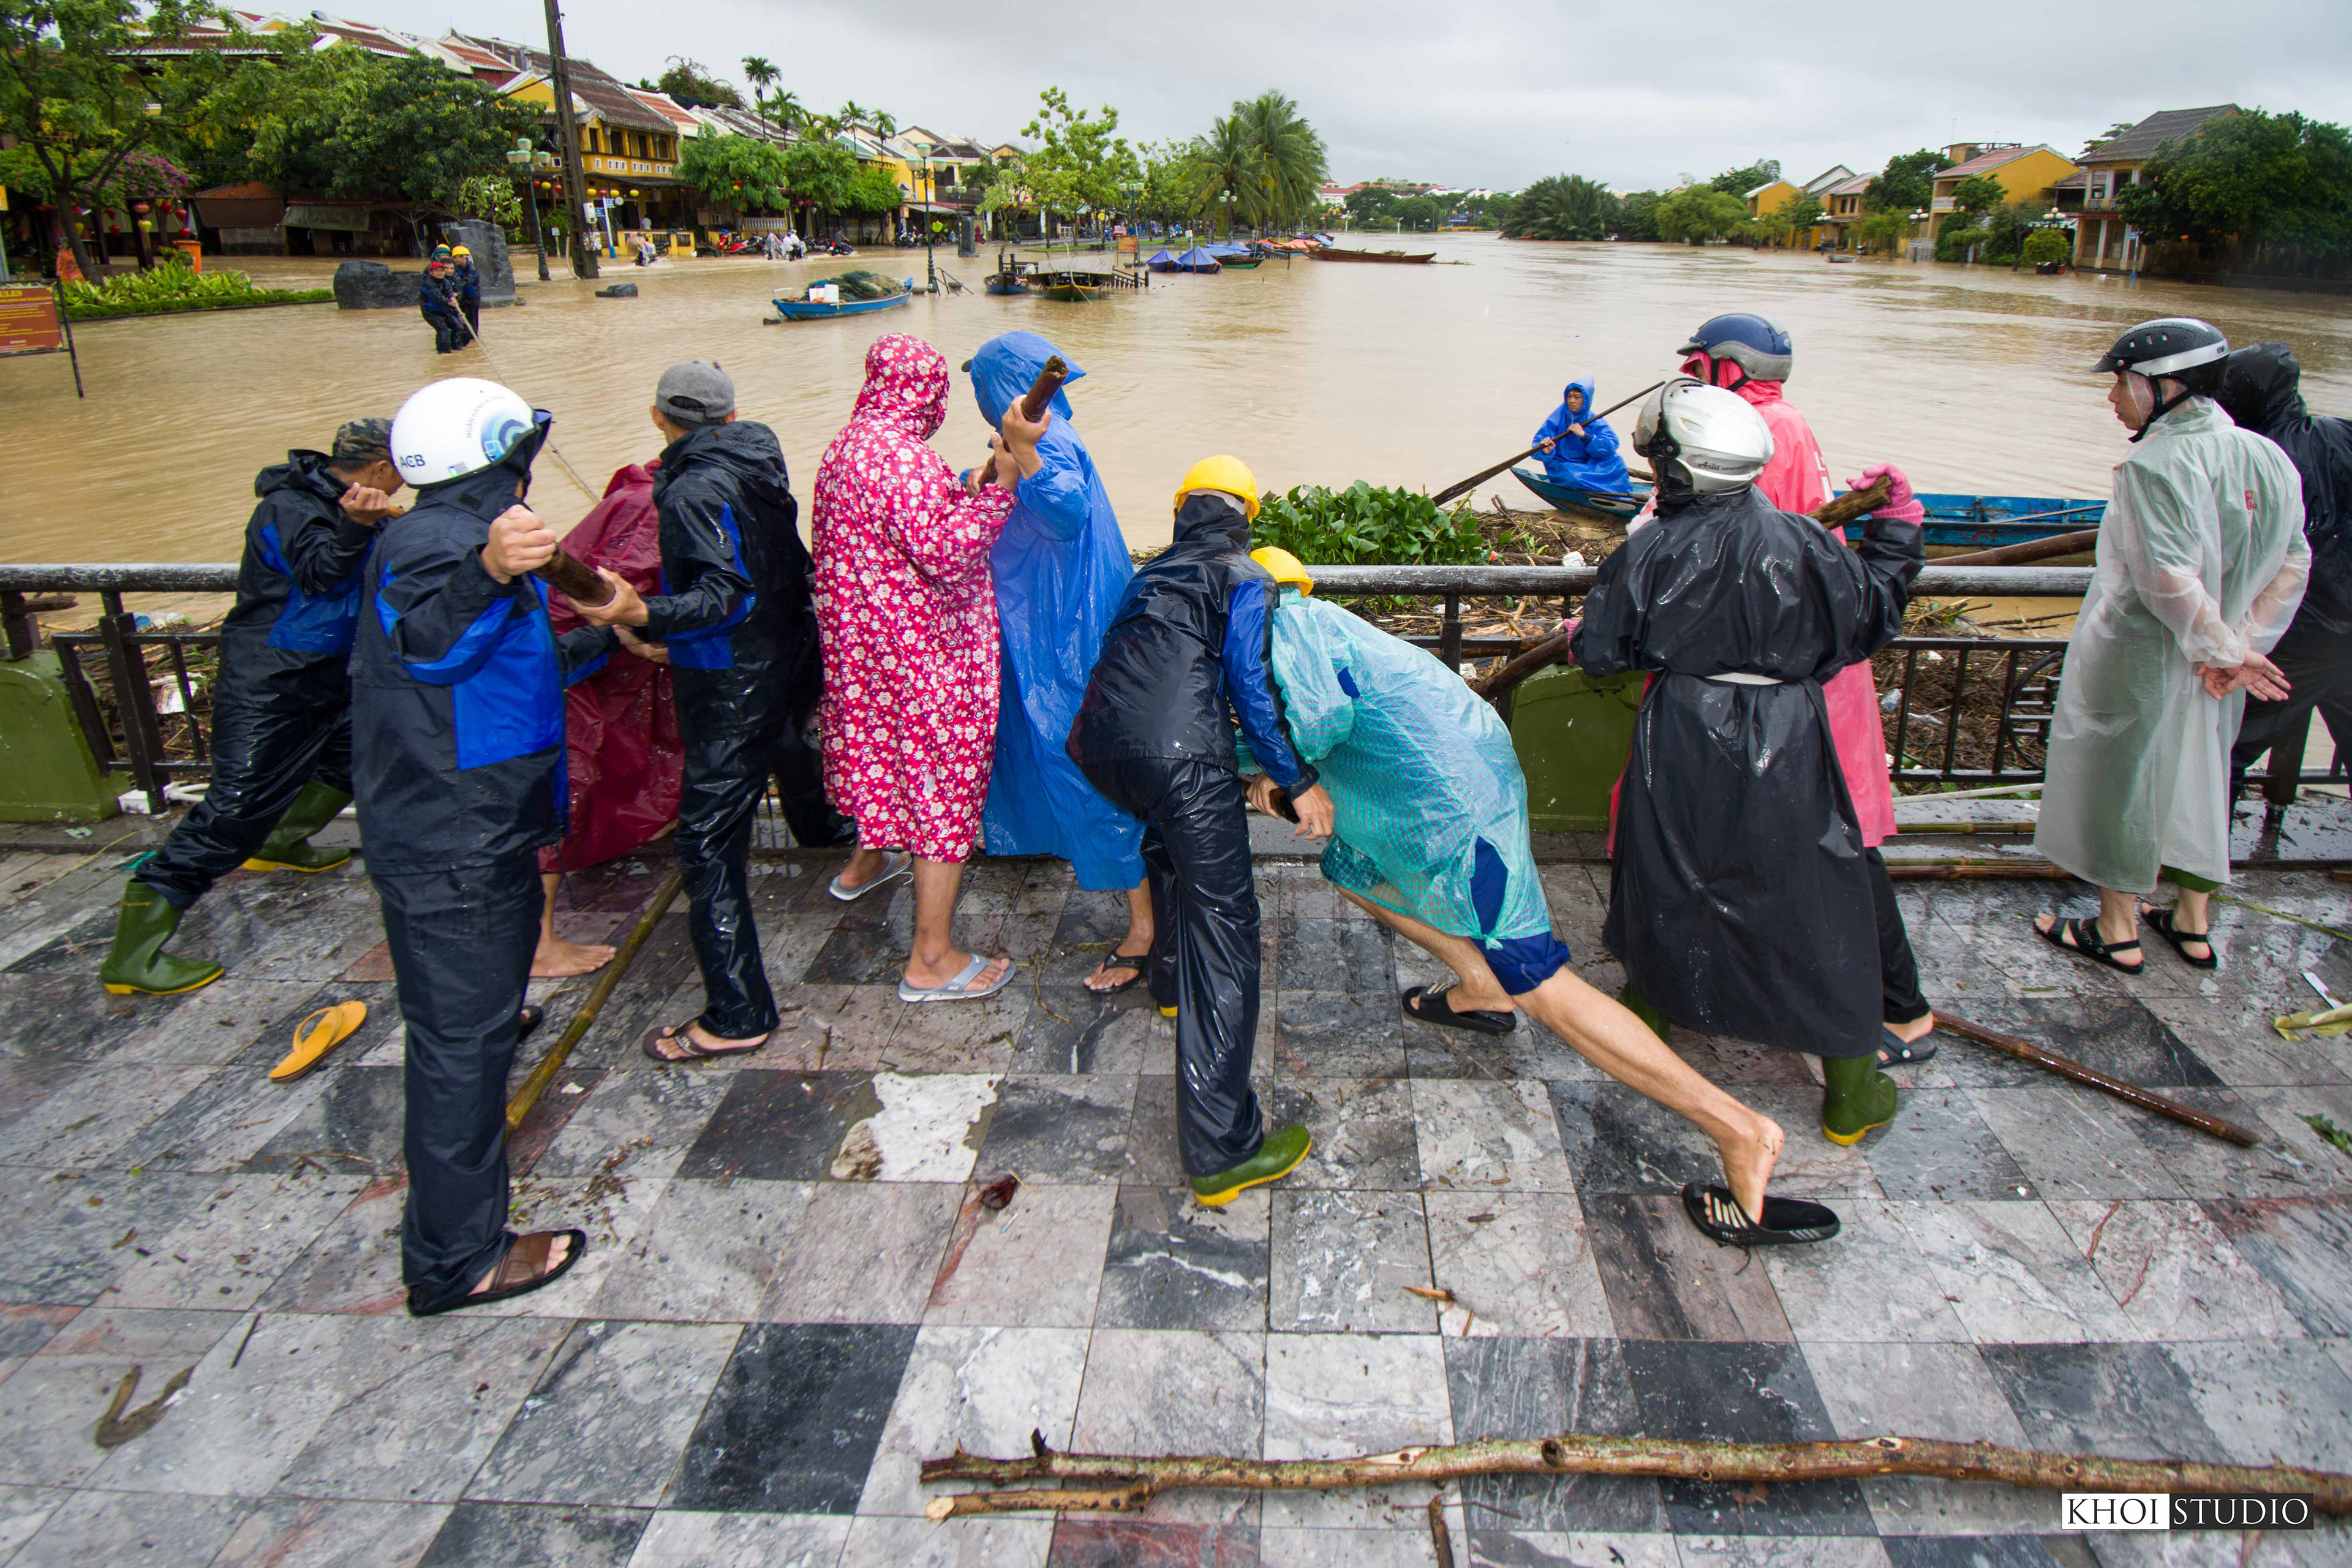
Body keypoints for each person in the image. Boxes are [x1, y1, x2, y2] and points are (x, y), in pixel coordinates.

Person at [1238, 546, 1819, 1241]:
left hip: (1458, 806)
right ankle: (1480, 984)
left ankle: (1740, 1131)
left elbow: (1311, 730)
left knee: (1541, 981)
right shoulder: (1319, 622)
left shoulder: (1290, 631)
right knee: (1352, 867)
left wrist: (1267, 781)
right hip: (1450, 777)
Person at [1574, 379, 1924, 1147]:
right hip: (1789, 737)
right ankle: (1851, 1095)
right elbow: (1870, 617)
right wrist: (1897, 530)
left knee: (1667, 876)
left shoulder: (1651, 546)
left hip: (1684, 734)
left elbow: (1599, 651)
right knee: (1813, 896)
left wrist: (1592, 624)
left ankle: (1649, 1022)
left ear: (1676, 467)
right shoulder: (1806, 542)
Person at [353, 375, 614, 1316]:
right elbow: (429, 646)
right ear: (498, 456)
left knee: (479, 1024)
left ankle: (456, 1236)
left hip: (476, 821)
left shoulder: (456, 534)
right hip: (450, 833)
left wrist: (610, 634)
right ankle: (457, 1258)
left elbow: (504, 670)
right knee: (460, 1048)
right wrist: (492, 573)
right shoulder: (437, 544)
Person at [1675, 312, 1933, 1068]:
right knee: (1823, 836)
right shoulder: (1776, 420)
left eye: (1696, 367)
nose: (1688, 381)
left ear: (1726, 368)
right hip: (1808, 662)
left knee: (1837, 843)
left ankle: (1901, 1008)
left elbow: (1723, 553)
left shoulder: (1755, 430)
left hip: (1790, 673)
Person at [1066, 457, 1326, 1207]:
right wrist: (1298, 778)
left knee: (1169, 848)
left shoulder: (1149, 576)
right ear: (1246, 514)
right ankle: (1222, 1148)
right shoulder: (1243, 574)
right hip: (1181, 755)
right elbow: (1249, 680)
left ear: (1183, 510)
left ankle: (1172, 985)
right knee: (1230, 927)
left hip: (1102, 751)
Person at [2033, 320, 2308, 973]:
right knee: (2200, 778)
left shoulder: (2154, 463)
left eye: (2122, 384)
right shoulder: (2266, 454)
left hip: (2142, 655)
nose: (2113, 399)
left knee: (2122, 780)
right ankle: (2190, 921)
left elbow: (2166, 578)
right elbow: (2294, 560)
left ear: (2165, 387)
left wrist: (2225, 649)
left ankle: (2117, 928)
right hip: (2214, 663)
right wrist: (2241, 645)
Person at [97, 420, 403, 995]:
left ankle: (280, 841)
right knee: (232, 812)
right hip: (272, 683)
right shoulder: (290, 507)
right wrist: (357, 525)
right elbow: (317, 576)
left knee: (353, 757)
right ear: (383, 468)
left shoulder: (347, 503)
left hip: (331, 673)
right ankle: (133, 952)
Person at [576, 362, 827, 1059]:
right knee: (793, 758)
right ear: (729, 414)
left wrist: (642, 611)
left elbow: (725, 595)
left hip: (731, 680)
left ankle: (737, 1012)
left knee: (708, 843)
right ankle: (828, 847)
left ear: (659, 417)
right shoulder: (758, 457)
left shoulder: (691, 489)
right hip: (782, 657)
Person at [814, 334, 1043, 1000]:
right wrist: (1000, 487)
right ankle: (931, 959)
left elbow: (901, 525)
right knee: (941, 793)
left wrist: (961, 486)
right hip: (923, 662)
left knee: (884, 767)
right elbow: (947, 552)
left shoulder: (848, 447)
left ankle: (863, 865)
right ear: (928, 394)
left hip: (866, 660)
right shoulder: (901, 457)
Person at [964, 332, 1152, 992]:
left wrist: (1022, 448)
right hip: (1055, 632)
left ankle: (1144, 929)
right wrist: (999, 464)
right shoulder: (1042, 441)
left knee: (1089, 775)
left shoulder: (1051, 444)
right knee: (1071, 765)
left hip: (1066, 639)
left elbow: (1066, 511)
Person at [533, 458, 684, 977]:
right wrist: (634, 636)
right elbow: (610, 596)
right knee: (567, 780)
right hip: (569, 659)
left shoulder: (652, 497)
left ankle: (640, 825)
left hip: (597, 650)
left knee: (633, 743)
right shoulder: (649, 510)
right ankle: (539, 941)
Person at [2221, 342, 2352, 816]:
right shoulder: (2341, 433)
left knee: (2225, 746)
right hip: (2344, 628)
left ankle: (2193, 872)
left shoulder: (2258, 457)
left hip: (2294, 634)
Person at [1531, 379, 1630, 494]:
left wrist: (1585, 436)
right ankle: (1596, 488)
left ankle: (1617, 493)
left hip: (1590, 462)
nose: (1571, 401)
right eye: (1569, 396)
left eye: (1577, 397)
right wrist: (1547, 451)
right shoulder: (1557, 418)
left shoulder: (1594, 419)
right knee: (1571, 475)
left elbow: (1611, 445)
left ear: (1586, 400)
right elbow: (1538, 444)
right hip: (1565, 463)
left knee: (1617, 461)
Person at [420, 247, 468, 354]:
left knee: (458, 327)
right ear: (431, 272)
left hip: (444, 310)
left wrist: (452, 298)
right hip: (430, 311)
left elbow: (449, 291)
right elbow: (437, 296)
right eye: (437, 271)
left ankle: (457, 350)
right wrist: (449, 302)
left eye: (442, 271)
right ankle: (443, 353)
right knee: (443, 330)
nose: (440, 273)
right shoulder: (428, 283)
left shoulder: (445, 281)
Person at [450, 244, 481, 337]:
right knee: (460, 318)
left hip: (472, 298)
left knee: (472, 319)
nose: (455, 260)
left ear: (463, 257)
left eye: (456, 257)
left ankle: (473, 336)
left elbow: (466, 282)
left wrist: (456, 288)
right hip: (462, 297)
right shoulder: (456, 268)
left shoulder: (472, 270)